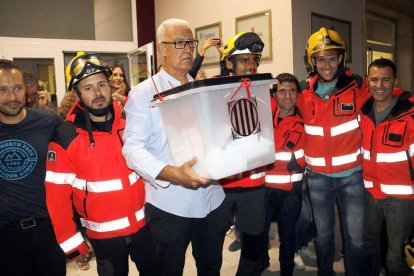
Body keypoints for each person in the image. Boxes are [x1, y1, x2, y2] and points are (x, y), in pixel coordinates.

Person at [122, 18, 228, 276]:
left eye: (190, 43)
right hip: (171, 205)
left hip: (213, 200)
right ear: (162, 49)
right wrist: (172, 173)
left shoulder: (203, 89)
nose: (188, 49)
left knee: (211, 267)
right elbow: (132, 150)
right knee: (169, 270)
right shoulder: (143, 94)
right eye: (179, 43)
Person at [44, 52, 158, 276]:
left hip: (144, 227)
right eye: (88, 88)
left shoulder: (130, 120)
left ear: (110, 85)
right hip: (105, 239)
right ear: (77, 93)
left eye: (101, 84)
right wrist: (72, 244)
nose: (97, 93)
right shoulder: (65, 137)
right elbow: (56, 199)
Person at [297, 27, 371, 276]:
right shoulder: (302, 93)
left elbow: (387, 98)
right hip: (317, 179)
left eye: (332, 58)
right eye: (320, 59)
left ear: (341, 58)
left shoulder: (360, 88)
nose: (326, 65)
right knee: (324, 237)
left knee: (356, 239)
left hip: (352, 178)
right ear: (312, 61)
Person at [0, 59, 65, 275]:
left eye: (17, 88)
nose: (12, 97)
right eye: (3, 89)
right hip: (5, 239)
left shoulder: (48, 122)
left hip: (48, 231)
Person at [219, 31, 268, 275]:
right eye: (243, 60)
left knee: (255, 243)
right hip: (221, 185)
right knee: (210, 245)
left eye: (253, 60)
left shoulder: (264, 90)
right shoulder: (213, 92)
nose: (250, 66)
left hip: (255, 183)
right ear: (230, 63)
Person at [360, 58, 414, 276]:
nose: (379, 85)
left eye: (385, 80)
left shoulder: (409, 115)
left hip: (400, 199)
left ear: (395, 82)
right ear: (367, 81)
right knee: (371, 248)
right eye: (374, 79)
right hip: (370, 195)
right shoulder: (362, 112)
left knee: (395, 256)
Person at [260, 73, 306, 275]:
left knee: (287, 236)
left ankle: (286, 271)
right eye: (282, 91)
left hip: (291, 192)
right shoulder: (263, 118)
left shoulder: (307, 122)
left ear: (298, 94)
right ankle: (262, 265)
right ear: (275, 94)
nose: (287, 96)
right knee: (260, 234)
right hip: (264, 189)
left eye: (292, 91)